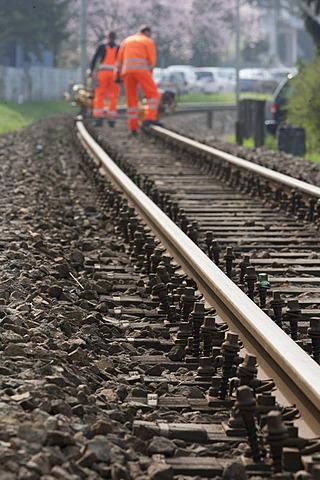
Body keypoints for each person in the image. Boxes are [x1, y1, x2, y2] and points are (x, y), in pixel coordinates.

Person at [114, 25, 161, 136]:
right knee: (153, 95)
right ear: (148, 32)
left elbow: (119, 60)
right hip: (142, 71)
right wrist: (150, 75)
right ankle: (149, 118)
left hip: (127, 72)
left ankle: (133, 127)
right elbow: (151, 61)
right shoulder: (148, 41)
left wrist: (117, 75)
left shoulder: (127, 41)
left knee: (131, 100)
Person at [89, 31, 120, 127]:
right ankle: (111, 119)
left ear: (107, 37)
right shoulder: (118, 48)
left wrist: (92, 71)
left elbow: (95, 58)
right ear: (115, 38)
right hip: (114, 74)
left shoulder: (102, 46)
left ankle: (98, 118)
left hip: (103, 73)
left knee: (99, 95)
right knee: (113, 96)